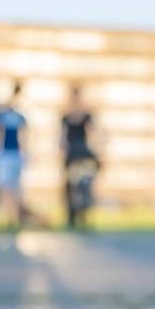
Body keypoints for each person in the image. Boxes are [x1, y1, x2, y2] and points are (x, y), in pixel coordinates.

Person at [0, 82, 28, 229]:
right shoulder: (2, 116)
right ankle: (4, 218)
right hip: (5, 154)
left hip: (17, 154)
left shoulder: (21, 117)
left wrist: (26, 153)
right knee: (5, 188)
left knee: (17, 188)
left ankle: (16, 218)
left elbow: (26, 136)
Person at [60, 86, 97, 229]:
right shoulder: (65, 117)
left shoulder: (86, 116)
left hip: (83, 154)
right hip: (72, 155)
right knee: (71, 187)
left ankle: (84, 216)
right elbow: (62, 138)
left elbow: (94, 133)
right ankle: (71, 217)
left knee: (84, 185)